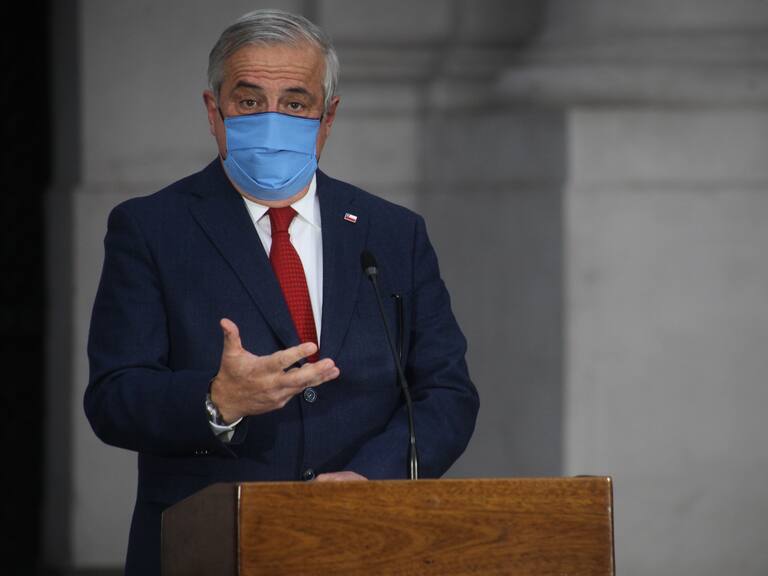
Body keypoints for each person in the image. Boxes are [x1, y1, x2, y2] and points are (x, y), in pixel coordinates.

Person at [85, 8, 478, 575]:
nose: (273, 120)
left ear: (327, 117)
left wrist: (373, 475)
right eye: (249, 101)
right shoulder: (151, 229)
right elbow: (113, 398)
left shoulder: (392, 233)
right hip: (210, 547)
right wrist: (218, 402)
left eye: (295, 103)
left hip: (369, 541)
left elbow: (446, 391)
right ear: (213, 111)